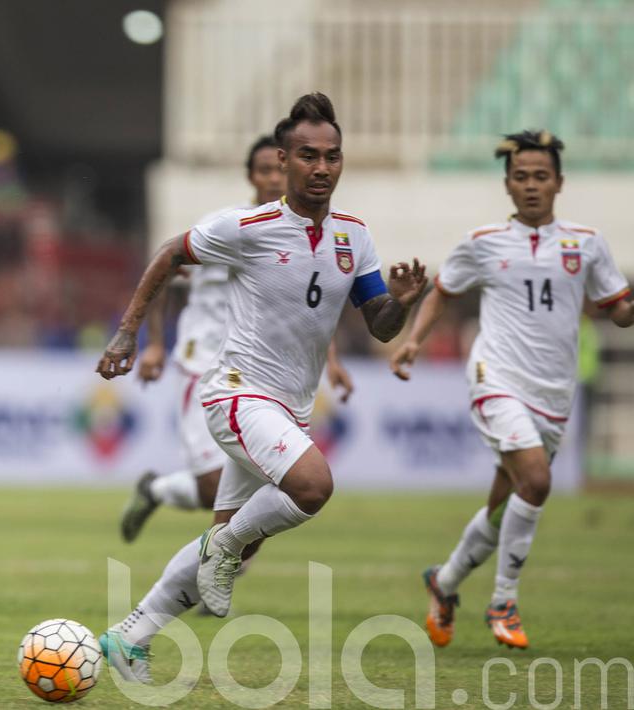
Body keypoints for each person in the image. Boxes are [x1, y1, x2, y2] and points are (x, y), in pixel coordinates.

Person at [96, 93, 427, 682]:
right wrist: (128, 333)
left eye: (331, 156)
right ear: (283, 160)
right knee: (312, 486)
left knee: (236, 537)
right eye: (308, 156)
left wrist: (400, 303)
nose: (321, 167)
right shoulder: (248, 227)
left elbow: (380, 325)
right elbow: (169, 253)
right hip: (237, 393)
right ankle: (222, 550)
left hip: (289, 408)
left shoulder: (355, 236)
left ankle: (130, 638)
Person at [391, 130, 633, 650]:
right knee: (538, 481)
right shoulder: (483, 242)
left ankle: (444, 582)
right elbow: (442, 291)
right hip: (495, 378)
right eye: (521, 176)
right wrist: (413, 341)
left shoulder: (586, 243)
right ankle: (503, 600)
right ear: (507, 184)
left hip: (554, 394)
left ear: (559, 182)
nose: (531, 185)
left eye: (541, 176)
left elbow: (618, 310)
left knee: (506, 509)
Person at [121, 135, 354, 550]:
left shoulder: (302, 236)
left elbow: (308, 310)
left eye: (279, 170)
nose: (273, 179)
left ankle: (221, 557)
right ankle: (162, 497)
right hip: (203, 363)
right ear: (250, 177)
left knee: (261, 482)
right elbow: (165, 270)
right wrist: (154, 343)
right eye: (264, 171)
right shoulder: (226, 225)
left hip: (257, 375)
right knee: (214, 486)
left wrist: (332, 360)